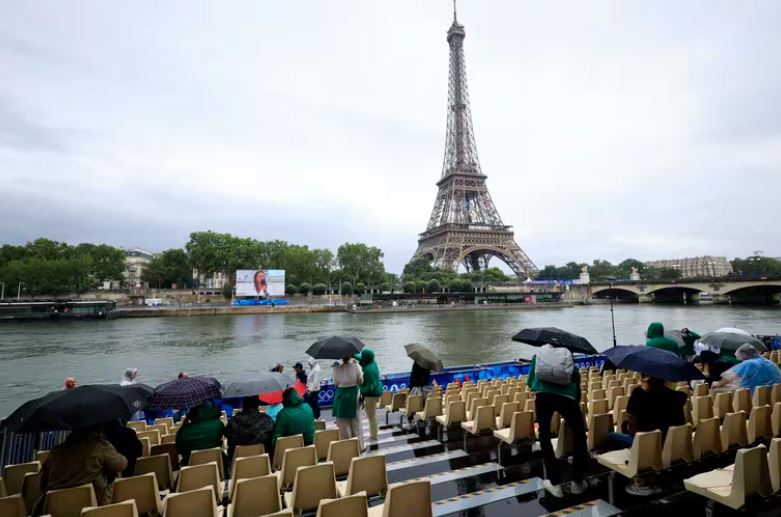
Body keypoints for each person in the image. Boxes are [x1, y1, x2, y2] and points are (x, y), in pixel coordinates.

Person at [607, 375, 686, 496]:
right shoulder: (677, 397)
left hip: (646, 445)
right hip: (671, 444)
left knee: (610, 436)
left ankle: (638, 476)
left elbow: (632, 429)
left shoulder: (639, 395)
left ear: (646, 379)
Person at [527, 346, 589, 498]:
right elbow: (576, 382)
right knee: (579, 434)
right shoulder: (567, 356)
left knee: (544, 435)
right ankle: (577, 482)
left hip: (542, 396)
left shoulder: (538, 356)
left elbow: (530, 382)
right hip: (567, 398)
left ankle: (554, 483)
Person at [39, 426, 127, 506]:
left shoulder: (54, 453)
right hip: (93, 506)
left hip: (56, 509)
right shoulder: (100, 447)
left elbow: (42, 484)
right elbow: (121, 465)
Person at [712, 344, 781, 392]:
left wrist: (719, 384)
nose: (739, 357)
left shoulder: (750, 363)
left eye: (740, 354)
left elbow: (729, 377)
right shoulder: (767, 361)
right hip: (773, 392)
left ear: (744, 354)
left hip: (757, 394)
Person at [225, 396, 274, 462]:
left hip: (237, 463)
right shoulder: (267, 420)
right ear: (257, 404)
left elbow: (226, 434)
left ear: (243, 405)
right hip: (264, 462)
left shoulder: (233, 421)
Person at [332, 355, 364, 449]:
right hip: (354, 393)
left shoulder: (336, 368)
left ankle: (348, 449)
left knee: (343, 424)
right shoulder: (356, 366)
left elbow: (335, 383)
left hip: (341, 395)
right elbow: (361, 381)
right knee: (356, 422)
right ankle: (359, 447)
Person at [358, 349, 383, 443]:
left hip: (371, 395)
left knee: (371, 416)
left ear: (366, 358)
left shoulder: (369, 370)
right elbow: (360, 358)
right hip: (377, 391)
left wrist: (360, 387)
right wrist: (351, 355)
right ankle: (374, 435)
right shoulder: (373, 363)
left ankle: (373, 437)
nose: (361, 356)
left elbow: (370, 387)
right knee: (373, 416)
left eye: (362, 355)